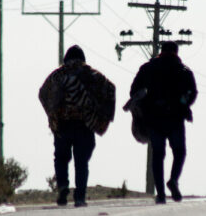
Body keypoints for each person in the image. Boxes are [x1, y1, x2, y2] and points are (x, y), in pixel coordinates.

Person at [39, 45, 116, 207]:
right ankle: (79, 197)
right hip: (84, 125)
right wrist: (102, 116)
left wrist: (52, 114)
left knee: (61, 158)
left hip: (63, 126)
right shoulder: (91, 74)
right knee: (81, 162)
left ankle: (63, 187)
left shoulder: (57, 75)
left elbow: (43, 93)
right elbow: (110, 89)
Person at [130, 41, 197, 204]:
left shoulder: (147, 68)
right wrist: (184, 104)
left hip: (154, 118)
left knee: (158, 155)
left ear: (161, 51)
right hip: (175, 117)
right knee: (179, 152)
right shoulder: (183, 70)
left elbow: (134, 91)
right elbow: (193, 92)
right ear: (176, 52)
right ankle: (173, 180)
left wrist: (144, 104)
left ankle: (160, 194)